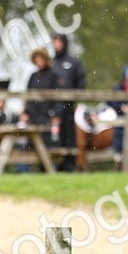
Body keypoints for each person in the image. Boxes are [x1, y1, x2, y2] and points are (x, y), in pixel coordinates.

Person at [49, 32, 86, 172]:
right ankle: (54, 165)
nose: (56, 45)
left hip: (69, 108)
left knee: (70, 137)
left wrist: (71, 96)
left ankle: (70, 165)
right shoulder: (51, 63)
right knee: (53, 137)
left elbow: (81, 84)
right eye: (54, 42)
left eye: (58, 41)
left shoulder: (74, 63)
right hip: (52, 109)